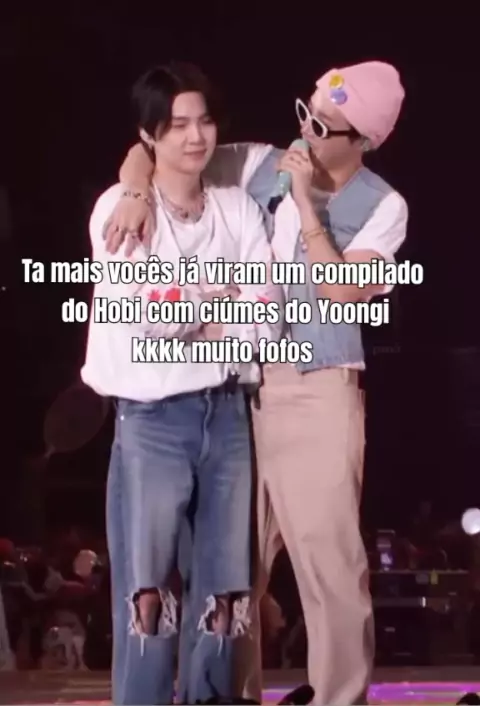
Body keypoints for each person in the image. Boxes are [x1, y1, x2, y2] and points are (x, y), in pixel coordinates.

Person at [102, 61, 408, 705]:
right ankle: (232, 694)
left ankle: (340, 697)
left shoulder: (383, 204)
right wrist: (133, 189)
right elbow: (160, 145)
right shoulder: (260, 163)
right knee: (235, 566)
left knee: (328, 562)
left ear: (365, 140)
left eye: (324, 126)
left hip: (317, 387)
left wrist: (306, 207)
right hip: (240, 390)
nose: (305, 132)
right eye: (305, 113)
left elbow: (344, 290)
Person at [81, 62, 283, 705]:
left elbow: (269, 316)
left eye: (205, 121)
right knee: (148, 593)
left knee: (225, 592)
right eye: (176, 125)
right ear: (148, 135)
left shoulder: (236, 208)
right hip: (151, 419)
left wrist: (199, 307)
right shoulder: (120, 209)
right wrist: (223, 298)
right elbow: (149, 317)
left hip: (226, 415)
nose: (196, 137)